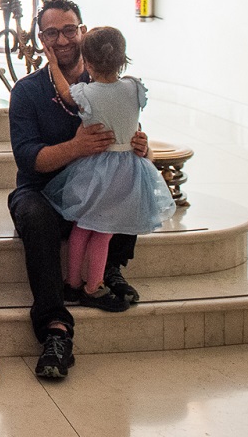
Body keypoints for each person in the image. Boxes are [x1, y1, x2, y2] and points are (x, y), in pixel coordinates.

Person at [7, 0, 151, 382]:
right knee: (34, 215)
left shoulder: (111, 85)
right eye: (52, 33)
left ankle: (109, 270)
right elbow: (28, 160)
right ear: (41, 40)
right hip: (43, 190)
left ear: (83, 32)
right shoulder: (28, 91)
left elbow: (131, 134)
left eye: (69, 30)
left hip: (98, 193)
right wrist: (76, 147)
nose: (62, 39)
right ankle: (55, 327)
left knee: (128, 177)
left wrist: (140, 147)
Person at [42, 26, 174, 306]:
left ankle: (76, 283)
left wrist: (53, 64)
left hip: (95, 168)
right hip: (127, 168)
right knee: (103, 231)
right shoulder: (133, 87)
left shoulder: (87, 94)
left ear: (87, 63)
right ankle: (95, 285)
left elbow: (66, 94)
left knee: (83, 227)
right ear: (123, 59)